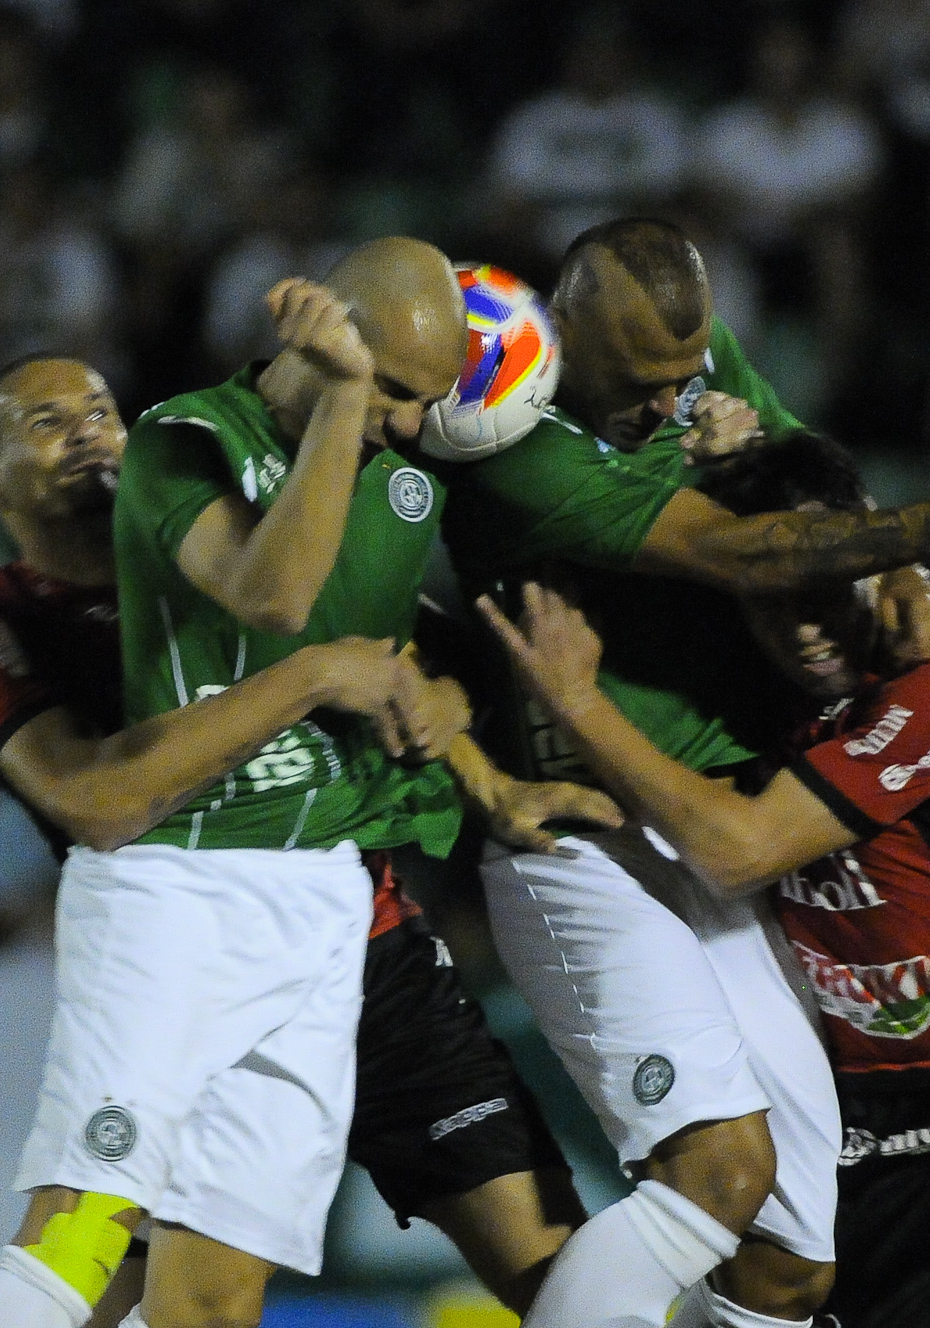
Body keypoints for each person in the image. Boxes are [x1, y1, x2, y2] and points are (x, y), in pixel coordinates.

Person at [430, 216, 930, 1328]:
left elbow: (812, 498)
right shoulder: (508, 434)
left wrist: (882, 558)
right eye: (641, 385)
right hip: (584, 842)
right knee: (718, 1173)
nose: (669, 401)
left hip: (717, 837)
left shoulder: (690, 366)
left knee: (791, 1260)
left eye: (685, 376)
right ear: (569, 334)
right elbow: (733, 549)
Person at [0, 354, 613, 1328]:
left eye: (100, 410)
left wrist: (454, 717)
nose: (87, 430)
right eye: (47, 422)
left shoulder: (233, 545)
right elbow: (93, 799)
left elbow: (430, 651)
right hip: (185, 958)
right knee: (92, 1256)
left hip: (365, 947)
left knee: (554, 1273)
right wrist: (309, 676)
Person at [479, 430, 930, 1328]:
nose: (803, 629)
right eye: (772, 604)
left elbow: (740, 851)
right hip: (873, 1138)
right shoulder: (757, 690)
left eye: (824, 591)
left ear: (869, 558)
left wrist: (576, 701)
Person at [87, 235, 599, 1328]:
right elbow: (275, 595)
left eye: (422, 401)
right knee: (187, 1302)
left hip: (366, 927)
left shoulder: (403, 475)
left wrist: (457, 716)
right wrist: (343, 400)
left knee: (561, 1272)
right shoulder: (182, 443)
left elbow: (408, 639)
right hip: (215, 929)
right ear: (333, 337)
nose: (411, 425)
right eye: (396, 393)